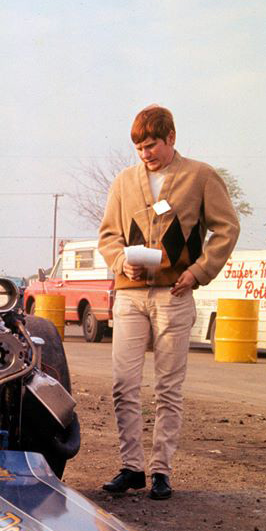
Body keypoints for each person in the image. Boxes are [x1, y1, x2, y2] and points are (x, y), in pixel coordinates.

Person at [98, 105, 239, 500]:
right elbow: (108, 236)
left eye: (152, 145)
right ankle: (131, 466)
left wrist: (198, 271)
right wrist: (121, 261)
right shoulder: (124, 182)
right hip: (130, 295)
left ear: (171, 138)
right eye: (140, 148)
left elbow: (227, 229)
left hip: (174, 295)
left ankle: (161, 470)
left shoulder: (200, 176)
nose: (146, 154)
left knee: (168, 388)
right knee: (124, 384)